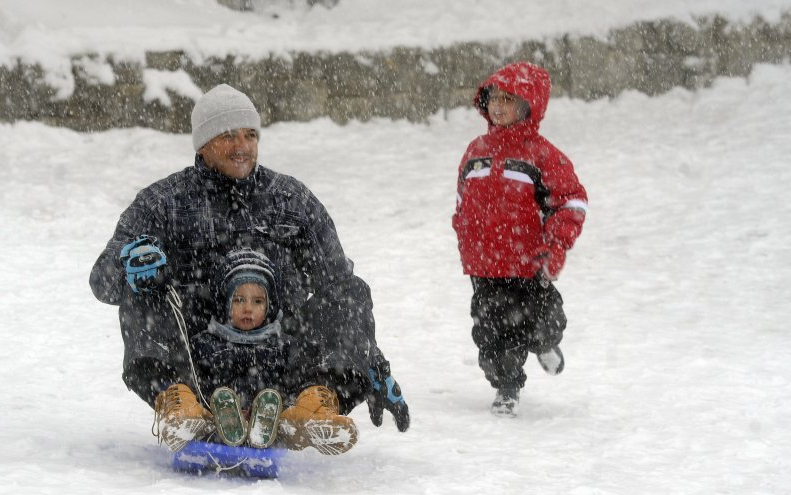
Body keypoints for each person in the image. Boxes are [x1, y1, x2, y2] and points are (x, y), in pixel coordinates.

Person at [90, 84, 409, 453]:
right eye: (228, 136)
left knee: (352, 290)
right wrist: (129, 266)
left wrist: (371, 360)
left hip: (282, 361)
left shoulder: (291, 200)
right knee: (143, 288)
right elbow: (103, 283)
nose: (242, 146)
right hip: (198, 364)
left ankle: (311, 406)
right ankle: (181, 406)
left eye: (250, 135)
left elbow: (339, 288)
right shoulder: (163, 203)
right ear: (203, 144)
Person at [451, 62, 588, 417]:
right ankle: (506, 386)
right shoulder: (475, 149)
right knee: (493, 331)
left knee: (543, 317)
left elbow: (570, 201)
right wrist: (463, 232)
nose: (498, 105)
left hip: (529, 261)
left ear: (530, 105)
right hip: (485, 263)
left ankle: (544, 343)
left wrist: (556, 247)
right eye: (494, 97)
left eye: (509, 99)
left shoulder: (542, 155)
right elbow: (462, 197)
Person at [190, 247, 359, 455]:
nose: (248, 309)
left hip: (272, 419)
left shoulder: (282, 345)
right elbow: (197, 379)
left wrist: (290, 398)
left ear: (269, 306)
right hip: (218, 418)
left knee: (285, 402)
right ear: (224, 303)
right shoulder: (207, 343)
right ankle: (222, 419)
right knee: (206, 402)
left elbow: (295, 379)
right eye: (239, 300)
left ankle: (292, 424)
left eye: (258, 301)